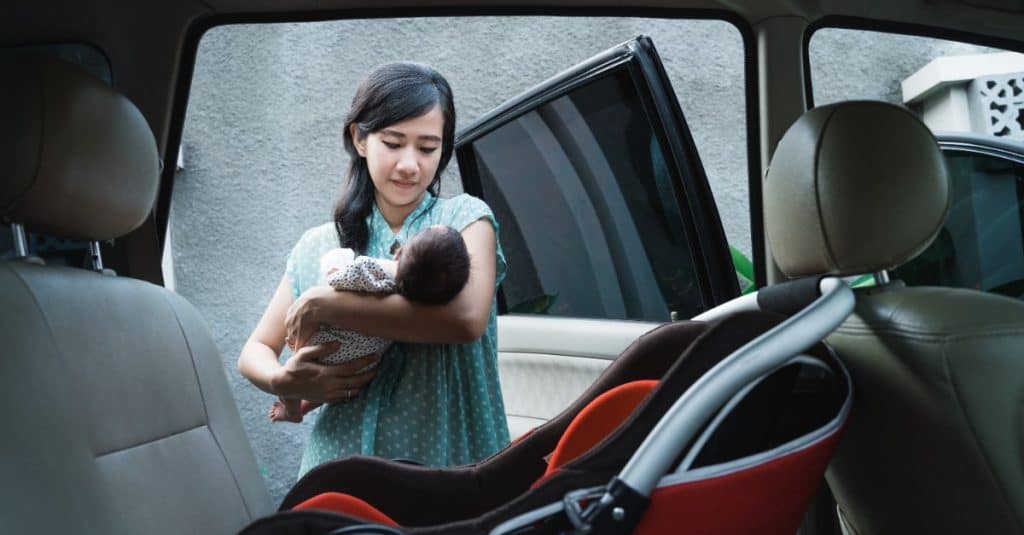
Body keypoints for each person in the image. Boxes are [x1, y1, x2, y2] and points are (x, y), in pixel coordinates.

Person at [237, 62, 510, 477]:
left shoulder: (466, 220)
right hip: (338, 466)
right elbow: (255, 351)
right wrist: (284, 382)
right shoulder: (318, 244)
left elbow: (465, 320)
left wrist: (328, 304)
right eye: (393, 142)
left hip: (453, 466)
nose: (409, 164)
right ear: (360, 140)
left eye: (427, 147)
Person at [268, 224, 471, 423]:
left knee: (291, 379)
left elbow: (337, 280)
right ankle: (303, 407)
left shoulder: (375, 270)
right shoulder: (414, 304)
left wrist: (337, 263)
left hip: (325, 346)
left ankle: (293, 410)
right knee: (333, 389)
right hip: (361, 364)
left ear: (399, 253)